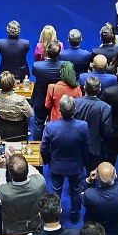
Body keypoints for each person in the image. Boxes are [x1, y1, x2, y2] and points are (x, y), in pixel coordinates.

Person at [41, 95, 90, 223]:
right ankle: (75, 216)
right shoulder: (83, 126)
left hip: (56, 165)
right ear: (74, 109)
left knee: (56, 193)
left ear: (59, 110)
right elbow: (86, 148)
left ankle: (55, 217)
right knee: (76, 192)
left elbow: (43, 148)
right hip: (76, 165)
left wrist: (48, 161)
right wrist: (84, 162)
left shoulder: (51, 126)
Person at [0, 151, 46, 234]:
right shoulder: (40, 182)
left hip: (12, 229)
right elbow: (33, 171)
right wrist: (18, 161)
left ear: (10, 174)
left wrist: (2, 167)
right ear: (27, 169)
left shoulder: (4, 191)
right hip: (34, 225)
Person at [74, 77, 113, 170]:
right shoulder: (105, 107)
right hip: (95, 145)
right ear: (100, 89)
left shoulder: (75, 102)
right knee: (92, 173)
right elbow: (107, 130)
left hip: (77, 143)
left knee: (76, 174)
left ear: (84, 87)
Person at [31, 42, 63, 137]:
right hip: (56, 101)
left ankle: (37, 145)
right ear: (59, 53)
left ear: (46, 52)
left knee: (38, 124)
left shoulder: (37, 66)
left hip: (41, 99)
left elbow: (34, 74)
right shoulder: (63, 66)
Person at [0, 70, 33, 141]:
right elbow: (30, 114)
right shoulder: (20, 100)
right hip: (18, 128)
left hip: (1, 124)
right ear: (13, 84)